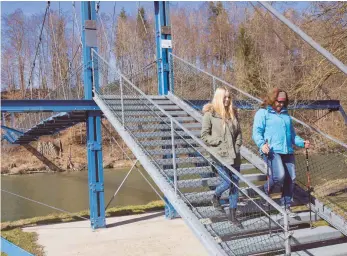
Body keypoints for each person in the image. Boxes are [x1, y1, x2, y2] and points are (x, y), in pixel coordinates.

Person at [252, 88, 310, 217]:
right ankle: (264, 191)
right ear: (273, 99)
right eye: (279, 101)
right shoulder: (263, 113)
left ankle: (286, 204)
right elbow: (257, 133)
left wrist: (302, 143)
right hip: (272, 150)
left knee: (291, 178)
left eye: (284, 102)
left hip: (287, 150)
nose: (281, 104)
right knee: (279, 176)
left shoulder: (286, 115)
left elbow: (292, 135)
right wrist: (262, 145)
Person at [201, 87, 242, 226]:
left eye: (229, 97)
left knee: (235, 185)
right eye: (224, 97)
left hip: (234, 156)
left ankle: (232, 215)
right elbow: (204, 136)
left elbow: (239, 135)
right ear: (218, 98)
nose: (227, 100)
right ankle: (215, 196)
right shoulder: (209, 115)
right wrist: (218, 142)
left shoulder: (233, 113)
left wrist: (236, 148)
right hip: (219, 155)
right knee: (227, 182)